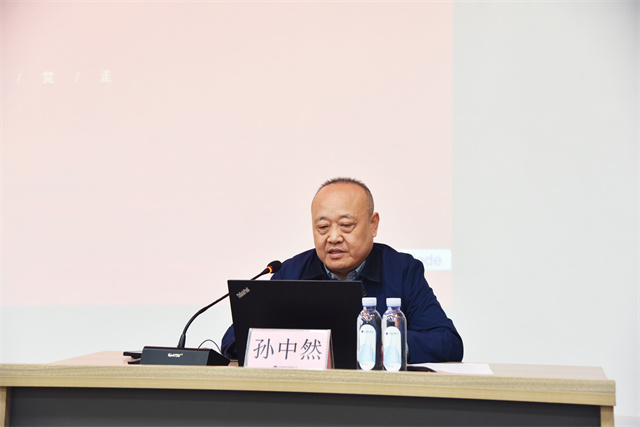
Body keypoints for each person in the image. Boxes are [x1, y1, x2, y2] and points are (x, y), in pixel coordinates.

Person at [221, 177, 463, 363]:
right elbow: (233, 339)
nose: (333, 237)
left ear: (373, 224)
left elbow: (448, 343)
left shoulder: (402, 270)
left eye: (346, 225)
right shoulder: (291, 272)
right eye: (323, 227)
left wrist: (381, 345)